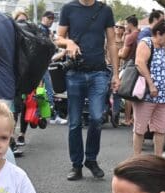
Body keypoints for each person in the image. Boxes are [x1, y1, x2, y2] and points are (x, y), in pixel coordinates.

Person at [57, 0, 119, 181]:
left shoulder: (105, 10)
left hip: (99, 73)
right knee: (75, 121)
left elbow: (112, 43)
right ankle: (76, 165)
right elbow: (58, 38)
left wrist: (116, 74)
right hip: (74, 73)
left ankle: (91, 159)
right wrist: (68, 43)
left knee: (97, 117)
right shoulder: (68, 8)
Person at [131, 19, 165, 156]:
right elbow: (140, 63)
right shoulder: (146, 43)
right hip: (146, 95)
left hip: (162, 98)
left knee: (160, 130)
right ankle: (137, 159)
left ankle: (158, 160)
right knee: (140, 129)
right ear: (158, 33)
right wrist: (151, 85)